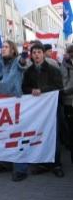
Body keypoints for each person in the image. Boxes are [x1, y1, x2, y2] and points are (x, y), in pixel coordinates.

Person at [0, 41, 28, 182]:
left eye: (6, 47)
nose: (3, 49)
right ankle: (4, 163)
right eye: (2, 47)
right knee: (2, 134)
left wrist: (25, 53)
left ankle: (20, 169)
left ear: (13, 50)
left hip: (15, 102)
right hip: (0, 103)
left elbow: (23, 61)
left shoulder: (16, 62)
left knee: (17, 136)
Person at [22, 42, 64, 177]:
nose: (36, 55)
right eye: (34, 53)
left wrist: (42, 90)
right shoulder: (28, 72)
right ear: (31, 56)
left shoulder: (53, 70)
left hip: (52, 110)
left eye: (39, 52)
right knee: (40, 135)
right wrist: (31, 90)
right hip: (37, 112)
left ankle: (56, 164)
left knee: (54, 136)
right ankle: (42, 163)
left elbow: (59, 86)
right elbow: (24, 88)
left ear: (43, 54)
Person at [60, 45, 73, 163]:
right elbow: (63, 81)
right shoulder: (64, 65)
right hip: (69, 102)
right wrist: (64, 90)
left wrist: (64, 90)